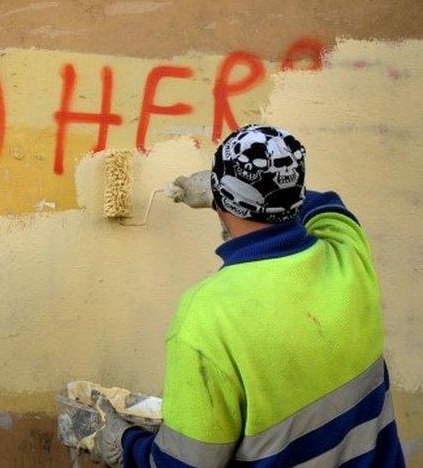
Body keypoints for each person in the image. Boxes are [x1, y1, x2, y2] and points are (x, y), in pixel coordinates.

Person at [91, 124, 405, 467]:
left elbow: (183, 464)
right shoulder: (347, 251)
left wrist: (126, 444)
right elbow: (324, 203)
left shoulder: (207, 317)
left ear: (221, 203)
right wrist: (234, 190)